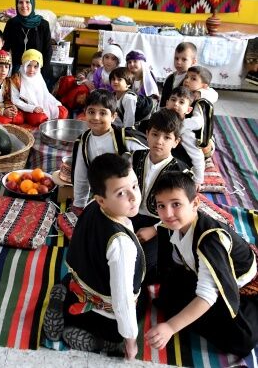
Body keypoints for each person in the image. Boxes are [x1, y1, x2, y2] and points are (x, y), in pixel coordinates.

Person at [43, 154, 144, 359]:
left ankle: (61, 302)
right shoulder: (121, 244)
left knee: (74, 284)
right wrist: (131, 342)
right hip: (103, 311)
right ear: (101, 200)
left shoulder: (92, 207)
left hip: (79, 287)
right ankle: (95, 340)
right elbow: (122, 300)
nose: (133, 197)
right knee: (136, 312)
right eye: (121, 193)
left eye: (134, 186)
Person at [146, 172, 258, 358]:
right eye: (161, 206)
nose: (168, 214)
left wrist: (171, 327)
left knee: (243, 339)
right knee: (167, 297)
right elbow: (177, 264)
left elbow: (208, 294)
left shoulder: (210, 239)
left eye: (176, 204)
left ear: (195, 203)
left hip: (242, 286)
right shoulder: (171, 227)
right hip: (198, 271)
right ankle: (195, 312)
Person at [131, 109, 190, 279]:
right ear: (147, 134)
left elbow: (182, 213)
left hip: (162, 223)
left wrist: (154, 230)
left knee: (145, 265)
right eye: (155, 134)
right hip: (130, 214)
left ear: (176, 142)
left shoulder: (181, 172)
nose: (159, 141)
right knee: (109, 246)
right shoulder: (135, 157)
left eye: (167, 137)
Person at [71, 90, 147, 213]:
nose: (96, 117)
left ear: (113, 117)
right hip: (103, 199)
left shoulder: (125, 140)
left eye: (103, 113)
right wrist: (79, 204)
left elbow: (147, 166)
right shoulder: (83, 141)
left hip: (130, 200)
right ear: (85, 113)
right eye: (91, 112)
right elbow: (81, 175)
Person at [3, 0, 52, 83]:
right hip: (17, 68)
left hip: (36, 68)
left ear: (32, 4)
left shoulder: (43, 24)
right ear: (16, 5)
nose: (24, 5)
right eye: (20, 2)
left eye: (27, 2)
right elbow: (4, 47)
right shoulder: (12, 23)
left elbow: (48, 50)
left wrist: (43, 71)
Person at [11, 49, 68, 126]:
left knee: (63, 111)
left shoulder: (38, 75)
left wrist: (56, 103)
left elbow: (45, 94)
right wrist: (32, 108)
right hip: (27, 109)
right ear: (24, 64)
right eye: (28, 65)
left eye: (35, 66)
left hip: (43, 104)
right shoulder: (16, 78)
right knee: (40, 119)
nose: (32, 70)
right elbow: (15, 100)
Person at [166, 86, 208, 189]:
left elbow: (197, 156)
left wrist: (198, 180)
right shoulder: (162, 119)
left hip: (179, 162)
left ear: (188, 110)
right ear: (167, 103)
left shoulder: (185, 130)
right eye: (173, 100)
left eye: (181, 102)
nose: (176, 104)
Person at [159, 42, 198, 108]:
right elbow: (163, 99)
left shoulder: (194, 79)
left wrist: (200, 92)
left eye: (184, 59)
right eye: (176, 58)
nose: (178, 62)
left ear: (193, 61)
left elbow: (212, 94)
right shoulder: (170, 77)